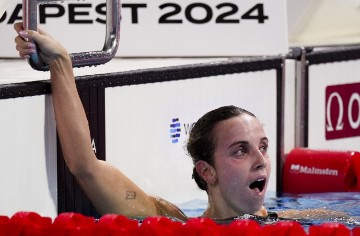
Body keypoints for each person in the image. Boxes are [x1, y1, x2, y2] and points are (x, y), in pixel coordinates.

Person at [13, 22, 347, 222]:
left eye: (263, 147)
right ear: (206, 171)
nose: (261, 159)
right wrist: (60, 64)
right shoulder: (170, 223)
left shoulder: (304, 222)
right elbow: (85, 166)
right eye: (241, 150)